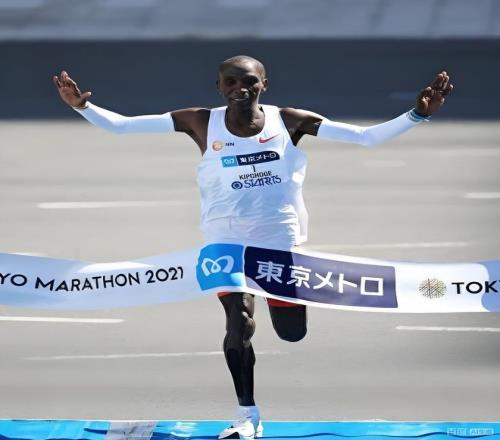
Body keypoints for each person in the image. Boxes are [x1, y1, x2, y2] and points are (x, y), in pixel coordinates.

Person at [53, 56, 452, 440]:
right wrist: (81, 106)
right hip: (224, 239)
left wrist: (418, 114)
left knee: (291, 333)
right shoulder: (200, 121)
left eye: (249, 81)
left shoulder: (290, 121)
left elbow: (365, 137)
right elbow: (123, 127)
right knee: (239, 321)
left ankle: (286, 312)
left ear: (264, 85)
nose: (240, 88)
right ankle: (247, 414)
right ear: (219, 86)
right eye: (231, 81)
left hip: (278, 238)